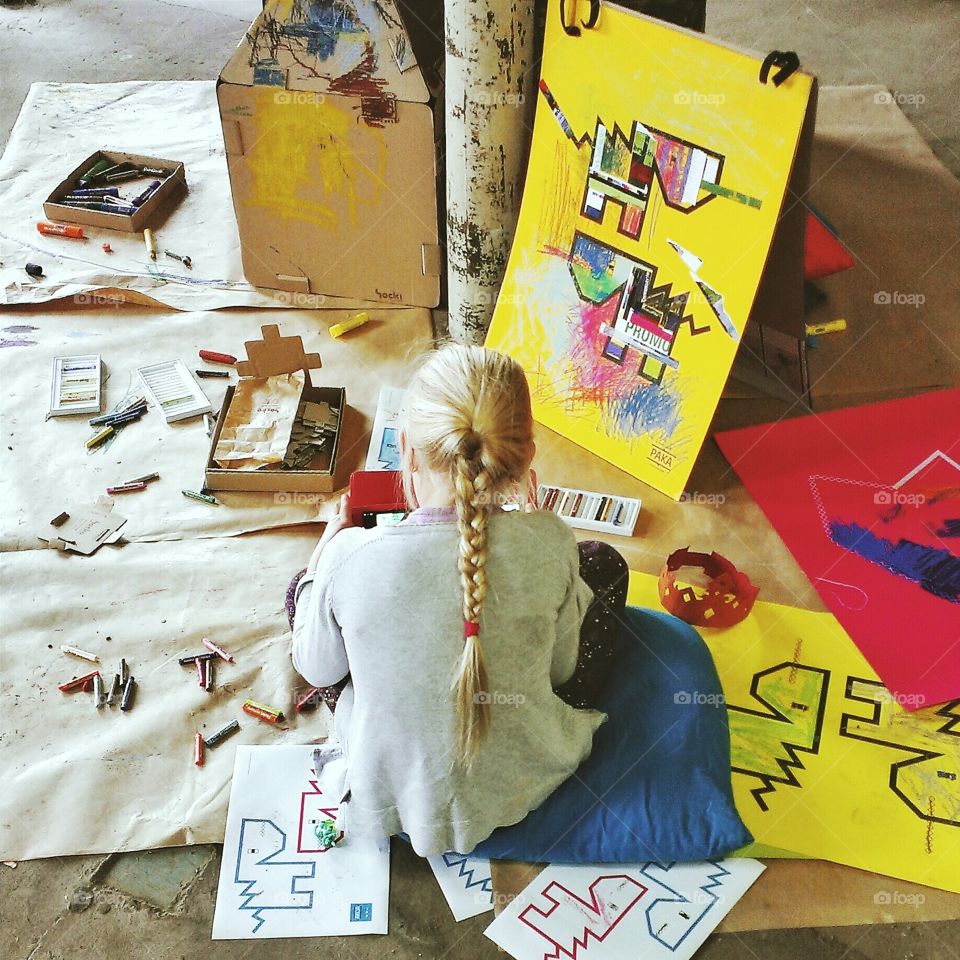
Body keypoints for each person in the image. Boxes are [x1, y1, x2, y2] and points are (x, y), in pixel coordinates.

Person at [288, 344, 628, 856]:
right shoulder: (551, 539)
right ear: (526, 457)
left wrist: (326, 550)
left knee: (302, 591)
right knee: (602, 562)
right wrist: (540, 535)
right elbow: (559, 673)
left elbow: (316, 670)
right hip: (524, 781)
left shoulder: (350, 557)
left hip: (396, 795)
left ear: (406, 451)